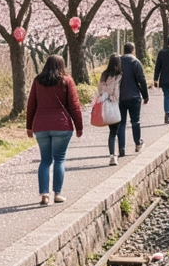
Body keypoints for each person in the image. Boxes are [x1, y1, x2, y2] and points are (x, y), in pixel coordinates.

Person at [26, 55, 83, 206]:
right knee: (59, 159)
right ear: (62, 65)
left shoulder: (38, 80)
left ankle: (44, 194)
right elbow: (74, 105)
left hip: (41, 125)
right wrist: (79, 126)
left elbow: (31, 104)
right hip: (61, 125)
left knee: (45, 160)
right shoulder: (66, 80)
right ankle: (57, 193)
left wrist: (29, 126)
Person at [118, 43, 149, 155]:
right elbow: (142, 80)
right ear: (133, 50)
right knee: (135, 121)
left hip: (120, 97)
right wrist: (145, 95)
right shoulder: (136, 62)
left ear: (123, 50)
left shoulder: (118, 62)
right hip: (134, 96)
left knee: (121, 123)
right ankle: (138, 143)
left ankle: (121, 148)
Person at [97, 55, 124, 166]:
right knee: (116, 130)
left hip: (105, 104)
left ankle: (112, 155)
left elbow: (100, 89)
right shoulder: (119, 75)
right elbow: (118, 91)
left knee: (112, 132)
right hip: (115, 104)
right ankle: (118, 152)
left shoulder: (104, 74)